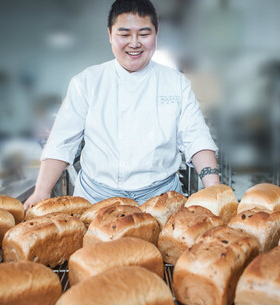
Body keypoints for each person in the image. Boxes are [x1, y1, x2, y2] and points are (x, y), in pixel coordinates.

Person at [24, 0, 219, 210]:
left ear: (156, 33)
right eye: (124, 35)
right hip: (95, 200)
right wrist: (41, 192)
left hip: (161, 201)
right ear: (110, 34)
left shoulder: (176, 83)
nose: (134, 43)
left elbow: (197, 138)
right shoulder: (86, 82)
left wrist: (214, 190)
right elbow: (61, 141)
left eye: (144, 34)